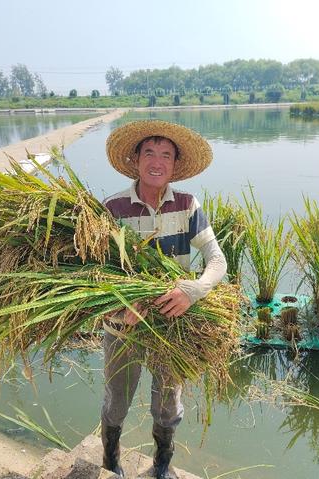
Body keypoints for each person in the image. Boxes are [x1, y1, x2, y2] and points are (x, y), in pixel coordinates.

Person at [101, 120, 227, 478]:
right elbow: (91, 273)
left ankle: (161, 465)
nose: (157, 162)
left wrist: (194, 290)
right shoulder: (113, 208)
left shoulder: (188, 205)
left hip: (173, 323)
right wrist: (118, 306)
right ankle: (110, 461)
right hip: (122, 326)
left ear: (174, 165)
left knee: (168, 404)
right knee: (116, 401)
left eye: (166, 155)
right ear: (136, 159)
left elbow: (217, 260)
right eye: (149, 153)